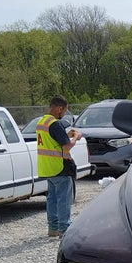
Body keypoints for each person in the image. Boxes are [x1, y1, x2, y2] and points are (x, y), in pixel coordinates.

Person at [37, 96, 83, 238]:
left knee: (52, 198)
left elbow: (52, 139)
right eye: (64, 110)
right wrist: (76, 137)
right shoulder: (55, 124)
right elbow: (67, 146)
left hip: (47, 167)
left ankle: (53, 228)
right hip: (60, 167)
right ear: (59, 108)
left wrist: (66, 134)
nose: (64, 113)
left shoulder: (42, 121)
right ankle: (64, 229)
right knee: (64, 199)